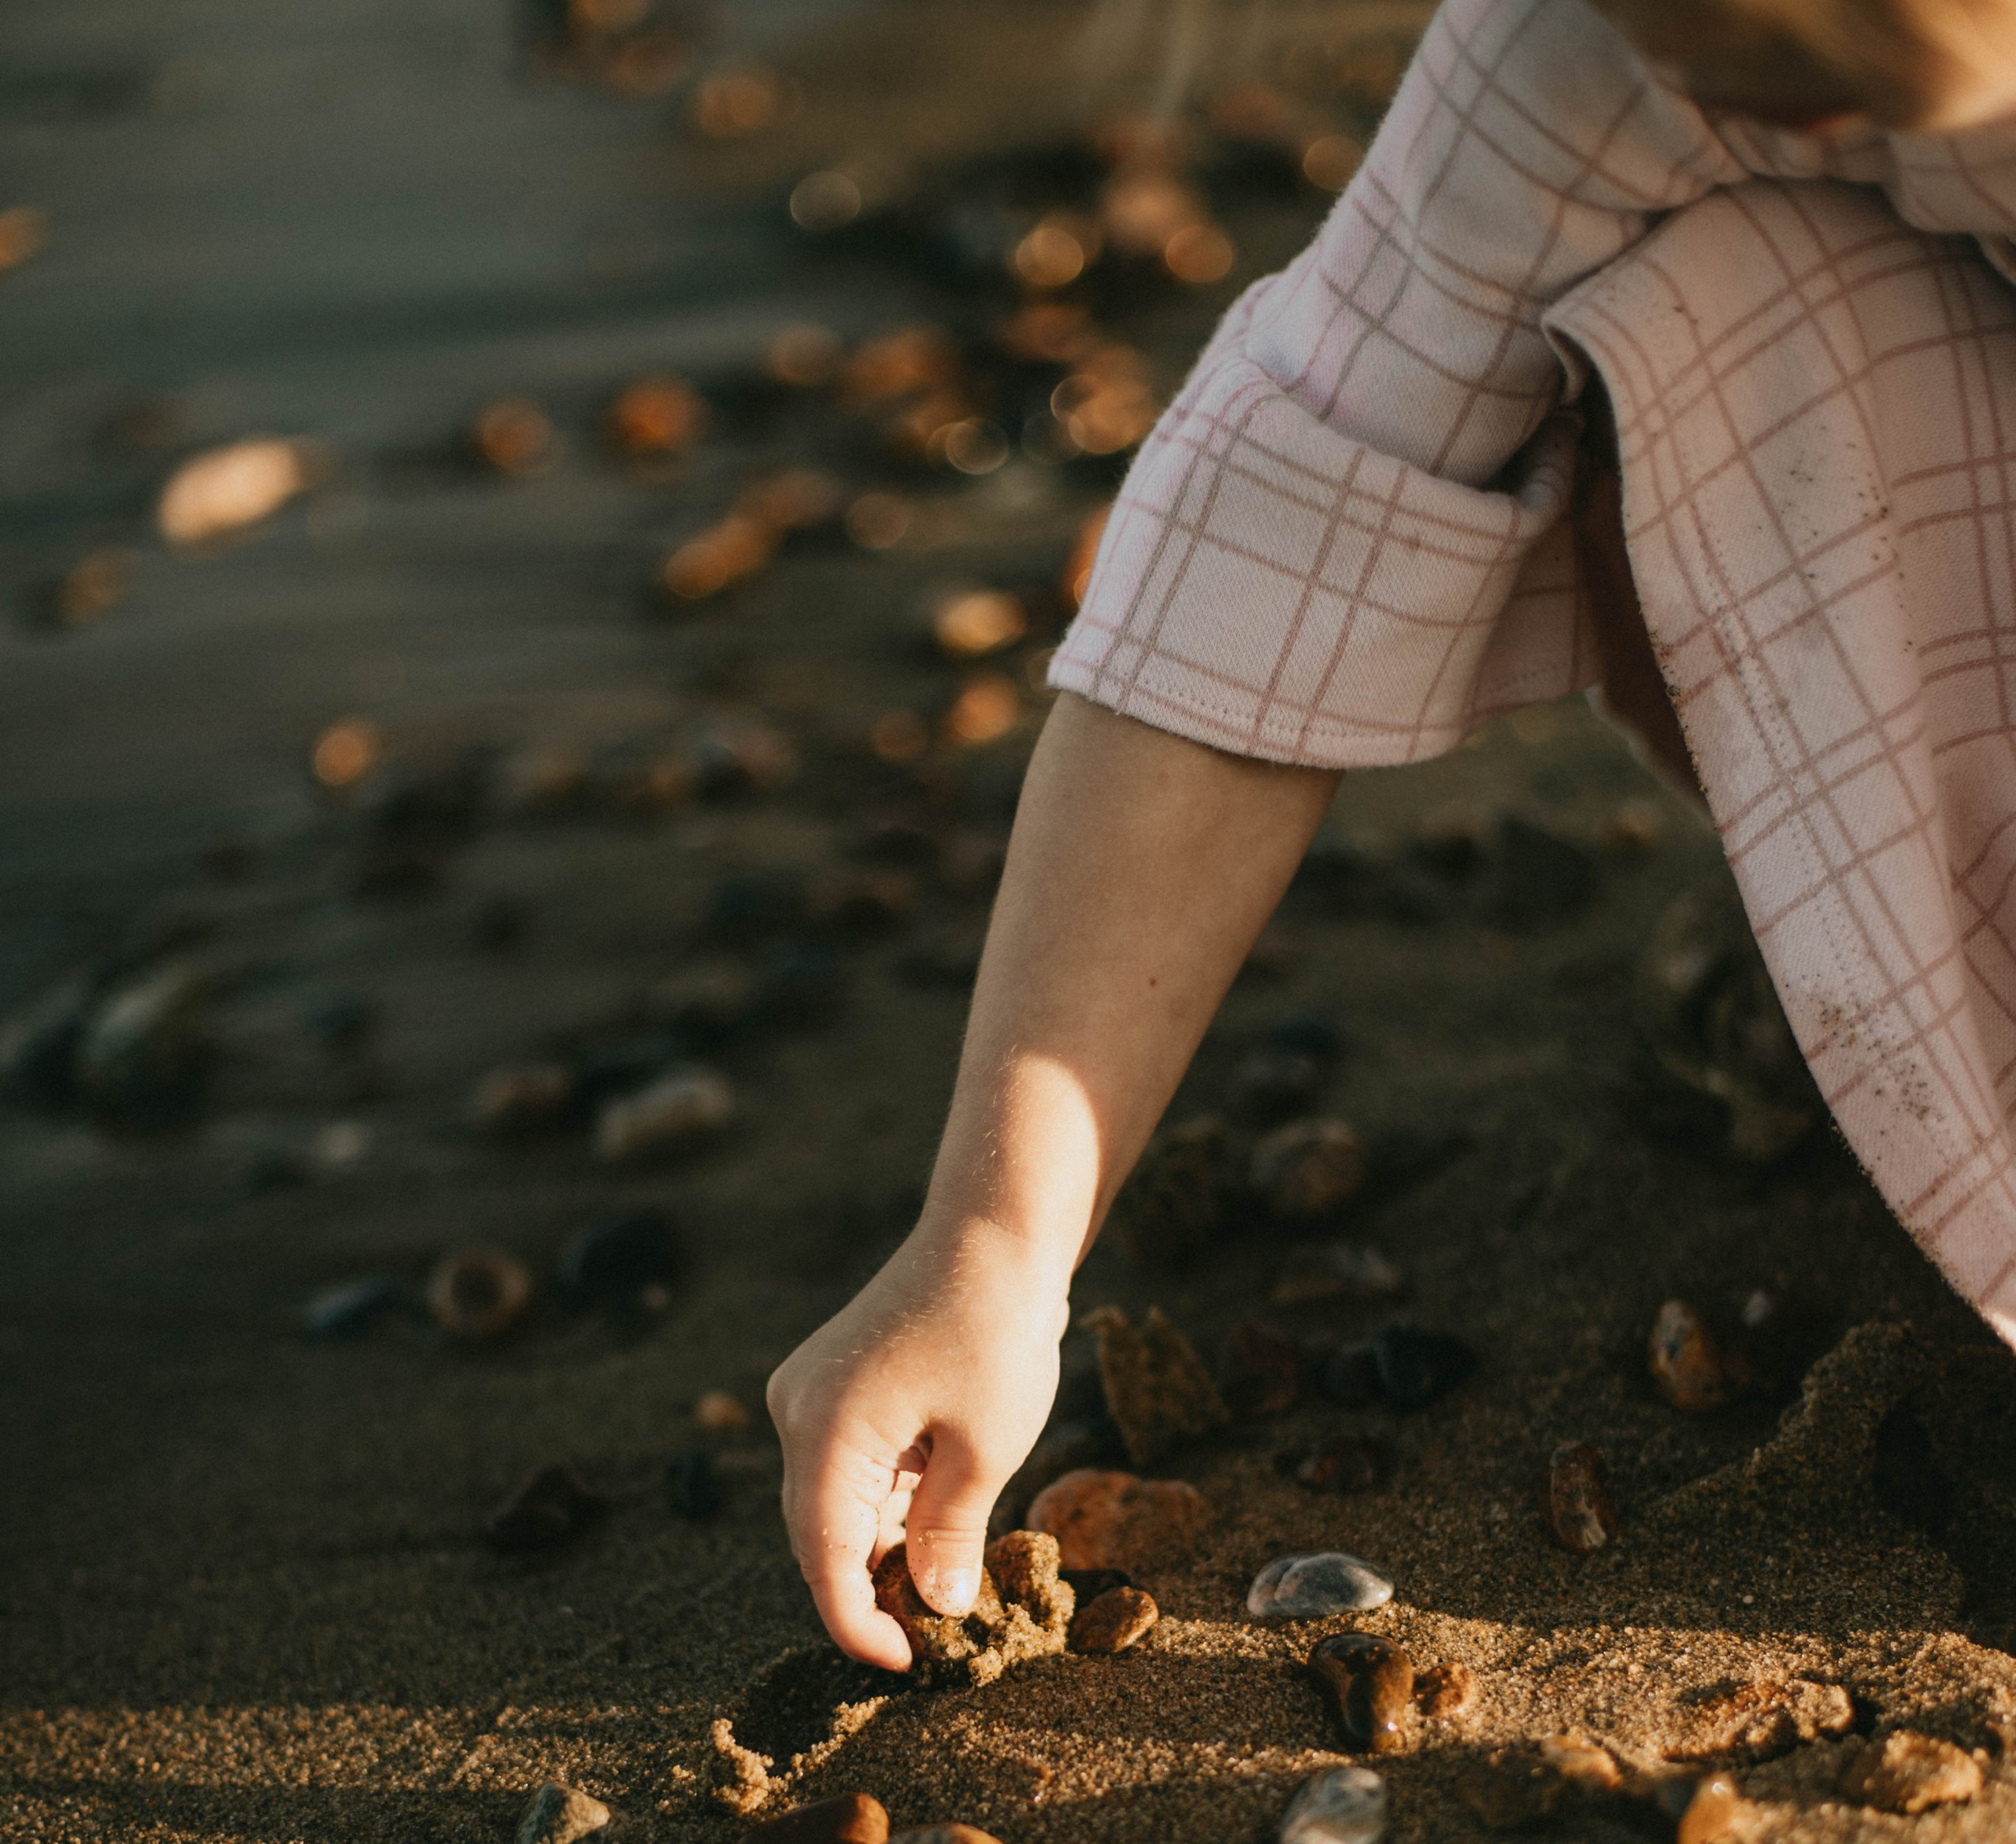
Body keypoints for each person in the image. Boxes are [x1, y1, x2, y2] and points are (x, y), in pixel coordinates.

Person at [770, 0, 2016, 1671]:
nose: (1711, 61)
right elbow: (1281, 518)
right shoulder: (1607, 49)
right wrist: (993, 1239)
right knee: (1715, 278)